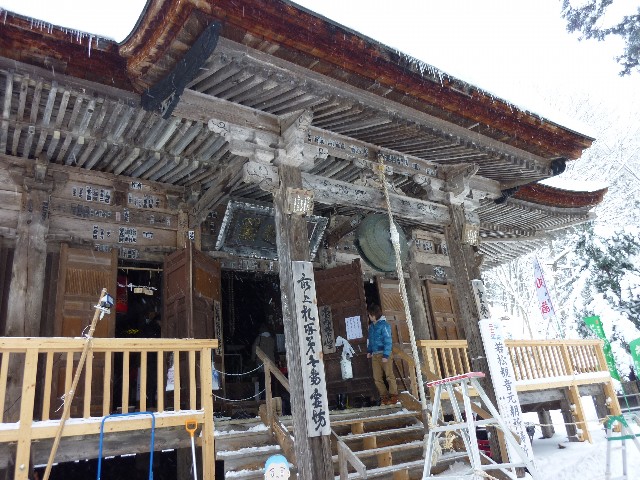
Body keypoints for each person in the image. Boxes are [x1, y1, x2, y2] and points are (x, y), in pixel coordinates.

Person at [366, 303, 398, 405]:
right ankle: (384, 397)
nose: (369, 316)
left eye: (370, 314)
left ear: (374, 314)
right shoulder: (371, 327)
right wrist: (369, 351)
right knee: (377, 378)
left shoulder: (384, 325)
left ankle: (393, 396)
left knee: (389, 376)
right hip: (375, 355)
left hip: (384, 354)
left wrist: (386, 355)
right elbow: (370, 341)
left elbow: (388, 341)